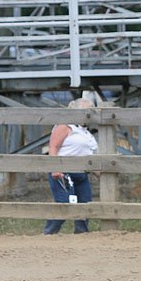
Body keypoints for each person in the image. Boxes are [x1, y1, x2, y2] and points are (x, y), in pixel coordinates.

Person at [44, 98, 98, 235]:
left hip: (82, 173)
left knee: (84, 204)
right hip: (64, 172)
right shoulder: (65, 126)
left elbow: (88, 153)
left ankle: (81, 233)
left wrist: (99, 171)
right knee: (65, 203)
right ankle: (49, 232)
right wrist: (55, 168)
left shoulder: (85, 131)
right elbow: (53, 147)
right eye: (86, 111)